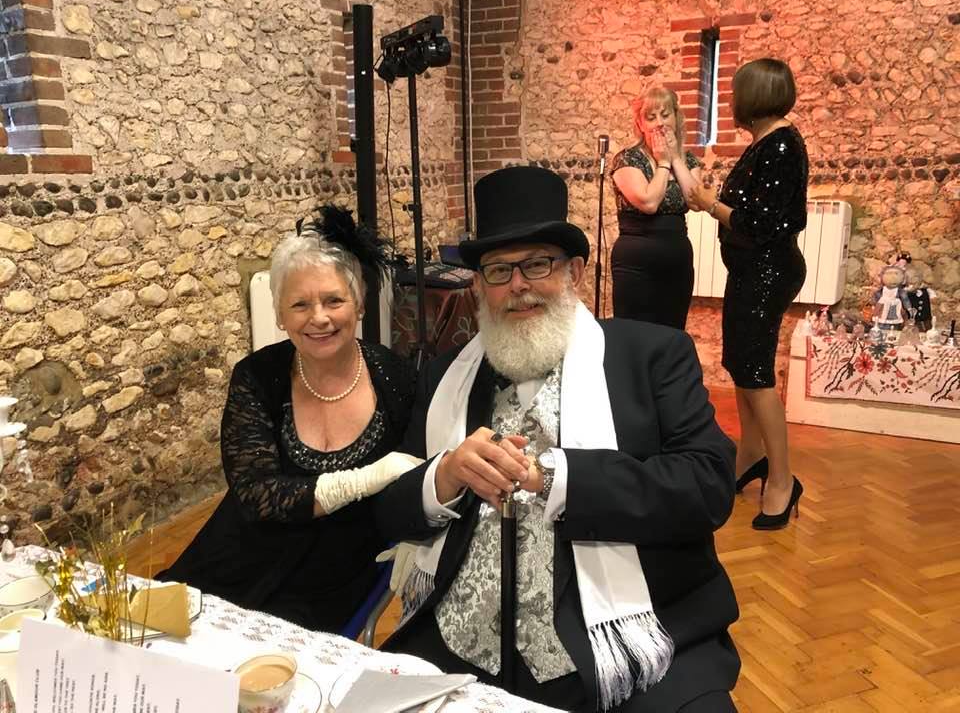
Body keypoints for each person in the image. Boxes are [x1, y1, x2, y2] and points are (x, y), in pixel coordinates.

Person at [375, 166, 740, 712]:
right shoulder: (443, 376)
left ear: (573, 271)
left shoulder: (651, 357)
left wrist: (557, 477)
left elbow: (707, 486)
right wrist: (444, 477)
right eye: (498, 270)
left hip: (624, 642)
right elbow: (389, 509)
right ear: (478, 285)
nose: (518, 286)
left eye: (537, 264)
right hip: (461, 641)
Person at [158, 205, 418, 632]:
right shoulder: (258, 377)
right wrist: (361, 480)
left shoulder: (398, 379)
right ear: (280, 314)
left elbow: (415, 485)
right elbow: (256, 494)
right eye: (300, 304)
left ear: (360, 305)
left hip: (333, 575)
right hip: (241, 556)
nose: (318, 317)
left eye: (334, 300)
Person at [689, 58, 808, 531]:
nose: (732, 100)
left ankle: (782, 479)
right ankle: (752, 456)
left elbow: (764, 224)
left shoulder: (780, 144)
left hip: (766, 272)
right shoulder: (767, 142)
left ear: (753, 97)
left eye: (736, 92)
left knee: (756, 375)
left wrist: (708, 204)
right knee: (741, 367)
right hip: (751, 272)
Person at [609, 86, 703, 329]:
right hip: (636, 264)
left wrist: (675, 159)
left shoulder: (689, 160)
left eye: (665, 114)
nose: (659, 123)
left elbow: (695, 200)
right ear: (640, 124)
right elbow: (649, 203)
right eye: (651, 117)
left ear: (676, 117)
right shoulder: (627, 159)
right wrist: (663, 163)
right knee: (635, 335)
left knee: (672, 333)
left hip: (676, 260)